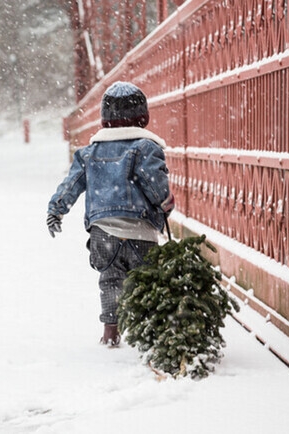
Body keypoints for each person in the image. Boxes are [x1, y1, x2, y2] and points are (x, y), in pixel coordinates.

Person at [46, 81, 174, 347]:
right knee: (145, 282)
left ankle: (110, 332)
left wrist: (56, 209)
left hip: (103, 232)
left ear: (104, 121)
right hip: (141, 230)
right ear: (143, 117)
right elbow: (155, 186)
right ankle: (145, 333)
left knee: (111, 281)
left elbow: (71, 184)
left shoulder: (88, 154)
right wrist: (164, 202)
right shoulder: (146, 148)